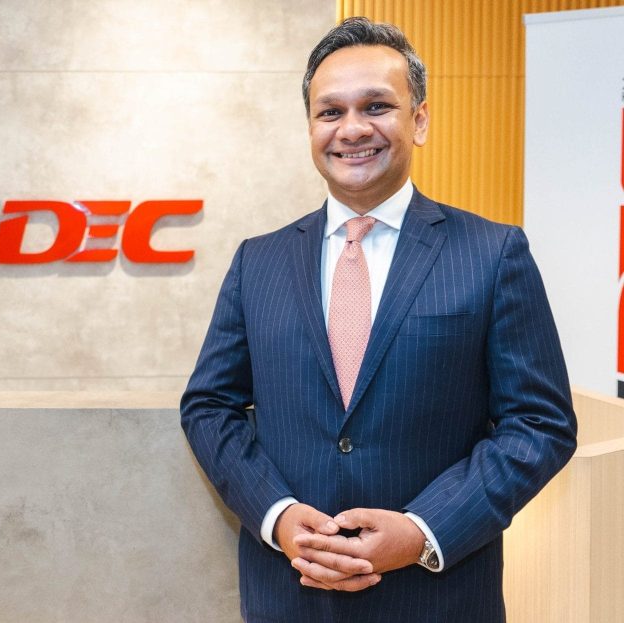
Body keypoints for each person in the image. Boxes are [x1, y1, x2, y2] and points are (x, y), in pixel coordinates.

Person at [181, 17, 576, 623]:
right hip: (290, 598)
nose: (352, 128)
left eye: (376, 106)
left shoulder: (492, 253)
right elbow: (209, 405)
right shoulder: (257, 261)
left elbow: (540, 423)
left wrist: (423, 531)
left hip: (437, 601)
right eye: (330, 112)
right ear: (310, 128)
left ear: (419, 120)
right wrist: (276, 515)